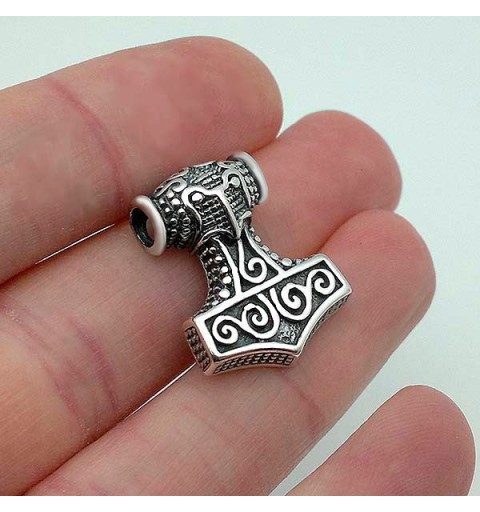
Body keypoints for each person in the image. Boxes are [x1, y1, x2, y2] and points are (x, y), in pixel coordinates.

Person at [0, 37, 474, 496]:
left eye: (218, 186)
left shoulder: (271, 290)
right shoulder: (275, 292)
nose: (216, 198)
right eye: (200, 195)